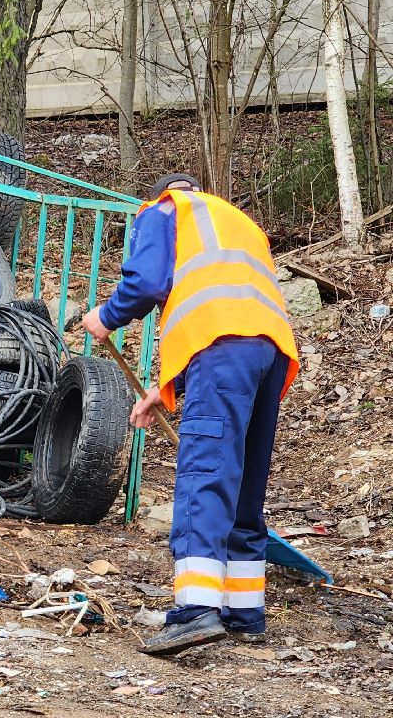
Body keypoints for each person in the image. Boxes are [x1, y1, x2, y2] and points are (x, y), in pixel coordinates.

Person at [82, 173, 299, 656]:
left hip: (220, 350)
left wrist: (107, 316)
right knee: (243, 482)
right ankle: (244, 611)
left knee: (206, 474)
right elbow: (230, 308)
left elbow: (147, 282)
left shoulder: (164, 209)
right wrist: (166, 390)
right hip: (270, 353)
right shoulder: (236, 221)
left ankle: (196, 610)